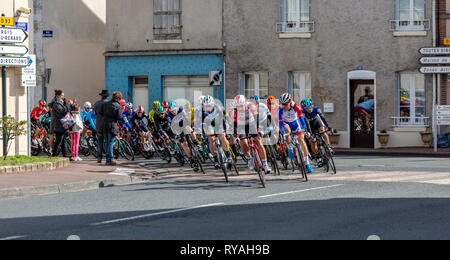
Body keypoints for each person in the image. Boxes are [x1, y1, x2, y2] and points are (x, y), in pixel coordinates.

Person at [230, 95, 272, 173]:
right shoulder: (234, 111)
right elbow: (235, 125)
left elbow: (256, 118)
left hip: (252, 123)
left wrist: (259, 129)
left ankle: (265, 164)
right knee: (243, 142)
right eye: (238, 106)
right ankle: (249, 158)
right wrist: (236, 137)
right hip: (241, 126)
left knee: (258, 141)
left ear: (245, 103)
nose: (240, 108)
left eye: (241, 106)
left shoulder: (251, 106)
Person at [278, 93, 313, 174]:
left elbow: (301, 119)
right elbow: (280, 123)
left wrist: (305, 129)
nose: (283, 106)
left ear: (290, 102)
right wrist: (283, 133)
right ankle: (290, 147)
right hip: (286, 123)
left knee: (301, 140)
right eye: (282, 104)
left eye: (285, 104)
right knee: (286, 130)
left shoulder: (296, 106)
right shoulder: (280, 109)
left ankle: (307, 163)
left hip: (295, 122)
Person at [195, 96, 233, 169]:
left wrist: (227, 132)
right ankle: (215, 159)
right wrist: (203, 133)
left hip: (219, 123)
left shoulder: (219, 108)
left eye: (209, 106)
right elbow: (202, 124)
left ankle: (228, 154)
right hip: (209, 125)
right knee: (211, 139)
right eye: (206, 106)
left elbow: (225, 120)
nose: (208, 108)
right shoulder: (202, 112)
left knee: (222, 136)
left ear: (213, 104)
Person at [99, 91, 123, 166]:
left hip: (104, 124)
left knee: (107, 143)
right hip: (112, 125)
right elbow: (119, 117)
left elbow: (100, 112)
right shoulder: (118, 106)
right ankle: (110, 159)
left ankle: (107, 160)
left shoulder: (106, 104)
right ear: (119, 98)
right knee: (110, 143)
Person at [49, 90, 72, 158]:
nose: (63, 96)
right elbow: (62, 111)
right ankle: (54, 155)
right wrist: (68, 105)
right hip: (58, 125)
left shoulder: (60, 102)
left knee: (63, 140)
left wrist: (67, 104)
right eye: (62, 95)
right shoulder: (56, 103)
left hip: (62, 124)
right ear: (58, 96)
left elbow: (65, 109)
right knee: (59, 140)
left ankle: (65, 155)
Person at [94, 90, 110, 163]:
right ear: (108, 96)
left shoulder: (97, 103)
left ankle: (99, 158)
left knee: (100, 142)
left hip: (98, 124)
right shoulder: (109, 103)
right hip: (106, 125)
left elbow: (94, 113)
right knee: (107, 142)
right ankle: (107, 158)